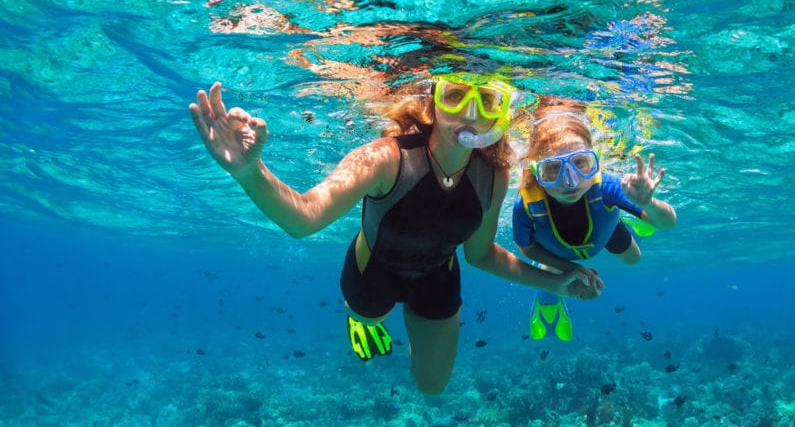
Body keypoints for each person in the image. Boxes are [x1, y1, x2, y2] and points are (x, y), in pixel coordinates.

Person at [188, 74, 599, 395]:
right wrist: (248, 172)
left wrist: (557, 282)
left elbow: (480, 254)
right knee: (368, 316)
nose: (471, 113)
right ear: (433, 103)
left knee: (432, 387)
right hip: (373, 272)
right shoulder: (386, 157)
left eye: (487, 100)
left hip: (438, 276)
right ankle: (361, 319)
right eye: (455, 96)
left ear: (499, 113)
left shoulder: (495, 172)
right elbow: (304, 218)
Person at [512, 103, 677, 341]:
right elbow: (526, 248)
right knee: (553, 275)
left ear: (596, 160)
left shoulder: (608, 187)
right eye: (553, 169)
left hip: (604, 229)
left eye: (580, 163)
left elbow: (669, 223)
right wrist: (573, 269)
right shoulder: (527, 205)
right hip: (555, 250)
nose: (570, 182)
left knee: (634, 259)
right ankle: (548, 299)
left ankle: (634, 214)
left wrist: (648, 203)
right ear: (537, 172)